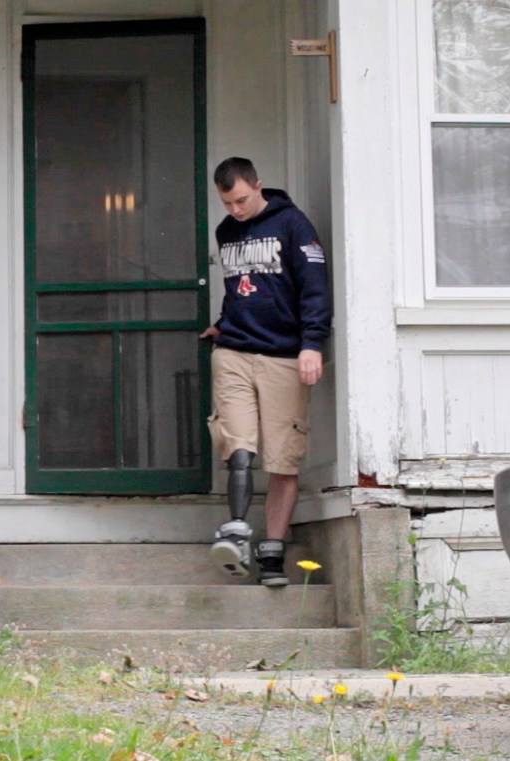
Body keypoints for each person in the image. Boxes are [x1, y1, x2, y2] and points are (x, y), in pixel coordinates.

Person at [200, 157, 332, 586]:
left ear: (258, 185)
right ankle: (235, 534)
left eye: (240, 200)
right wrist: (224, 320)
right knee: (238, 448)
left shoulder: (293, 224)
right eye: (226, 203)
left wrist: (312, 343)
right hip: (234, 350)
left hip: (283, 356)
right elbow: (241, 285)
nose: (235, 210)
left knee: (282, 459)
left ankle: (272, 552)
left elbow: (314, 288)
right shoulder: (226, 231)